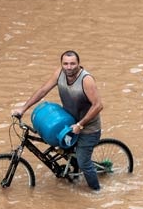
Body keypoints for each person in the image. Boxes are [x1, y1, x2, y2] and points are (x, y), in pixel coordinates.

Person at [12, 50, 104, 191]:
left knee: (84, 162)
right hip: (68, 122)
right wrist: (23, 109)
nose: (69, 67)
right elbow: (43, 90)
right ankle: (74, 174)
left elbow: (98, 105)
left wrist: (80, 124)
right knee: (59, 147)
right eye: (65, 64)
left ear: (79, 64)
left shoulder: (86, 80)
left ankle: (96, 191)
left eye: (72, 63)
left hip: (88, 128)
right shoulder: (59, 73)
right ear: (61, 64)